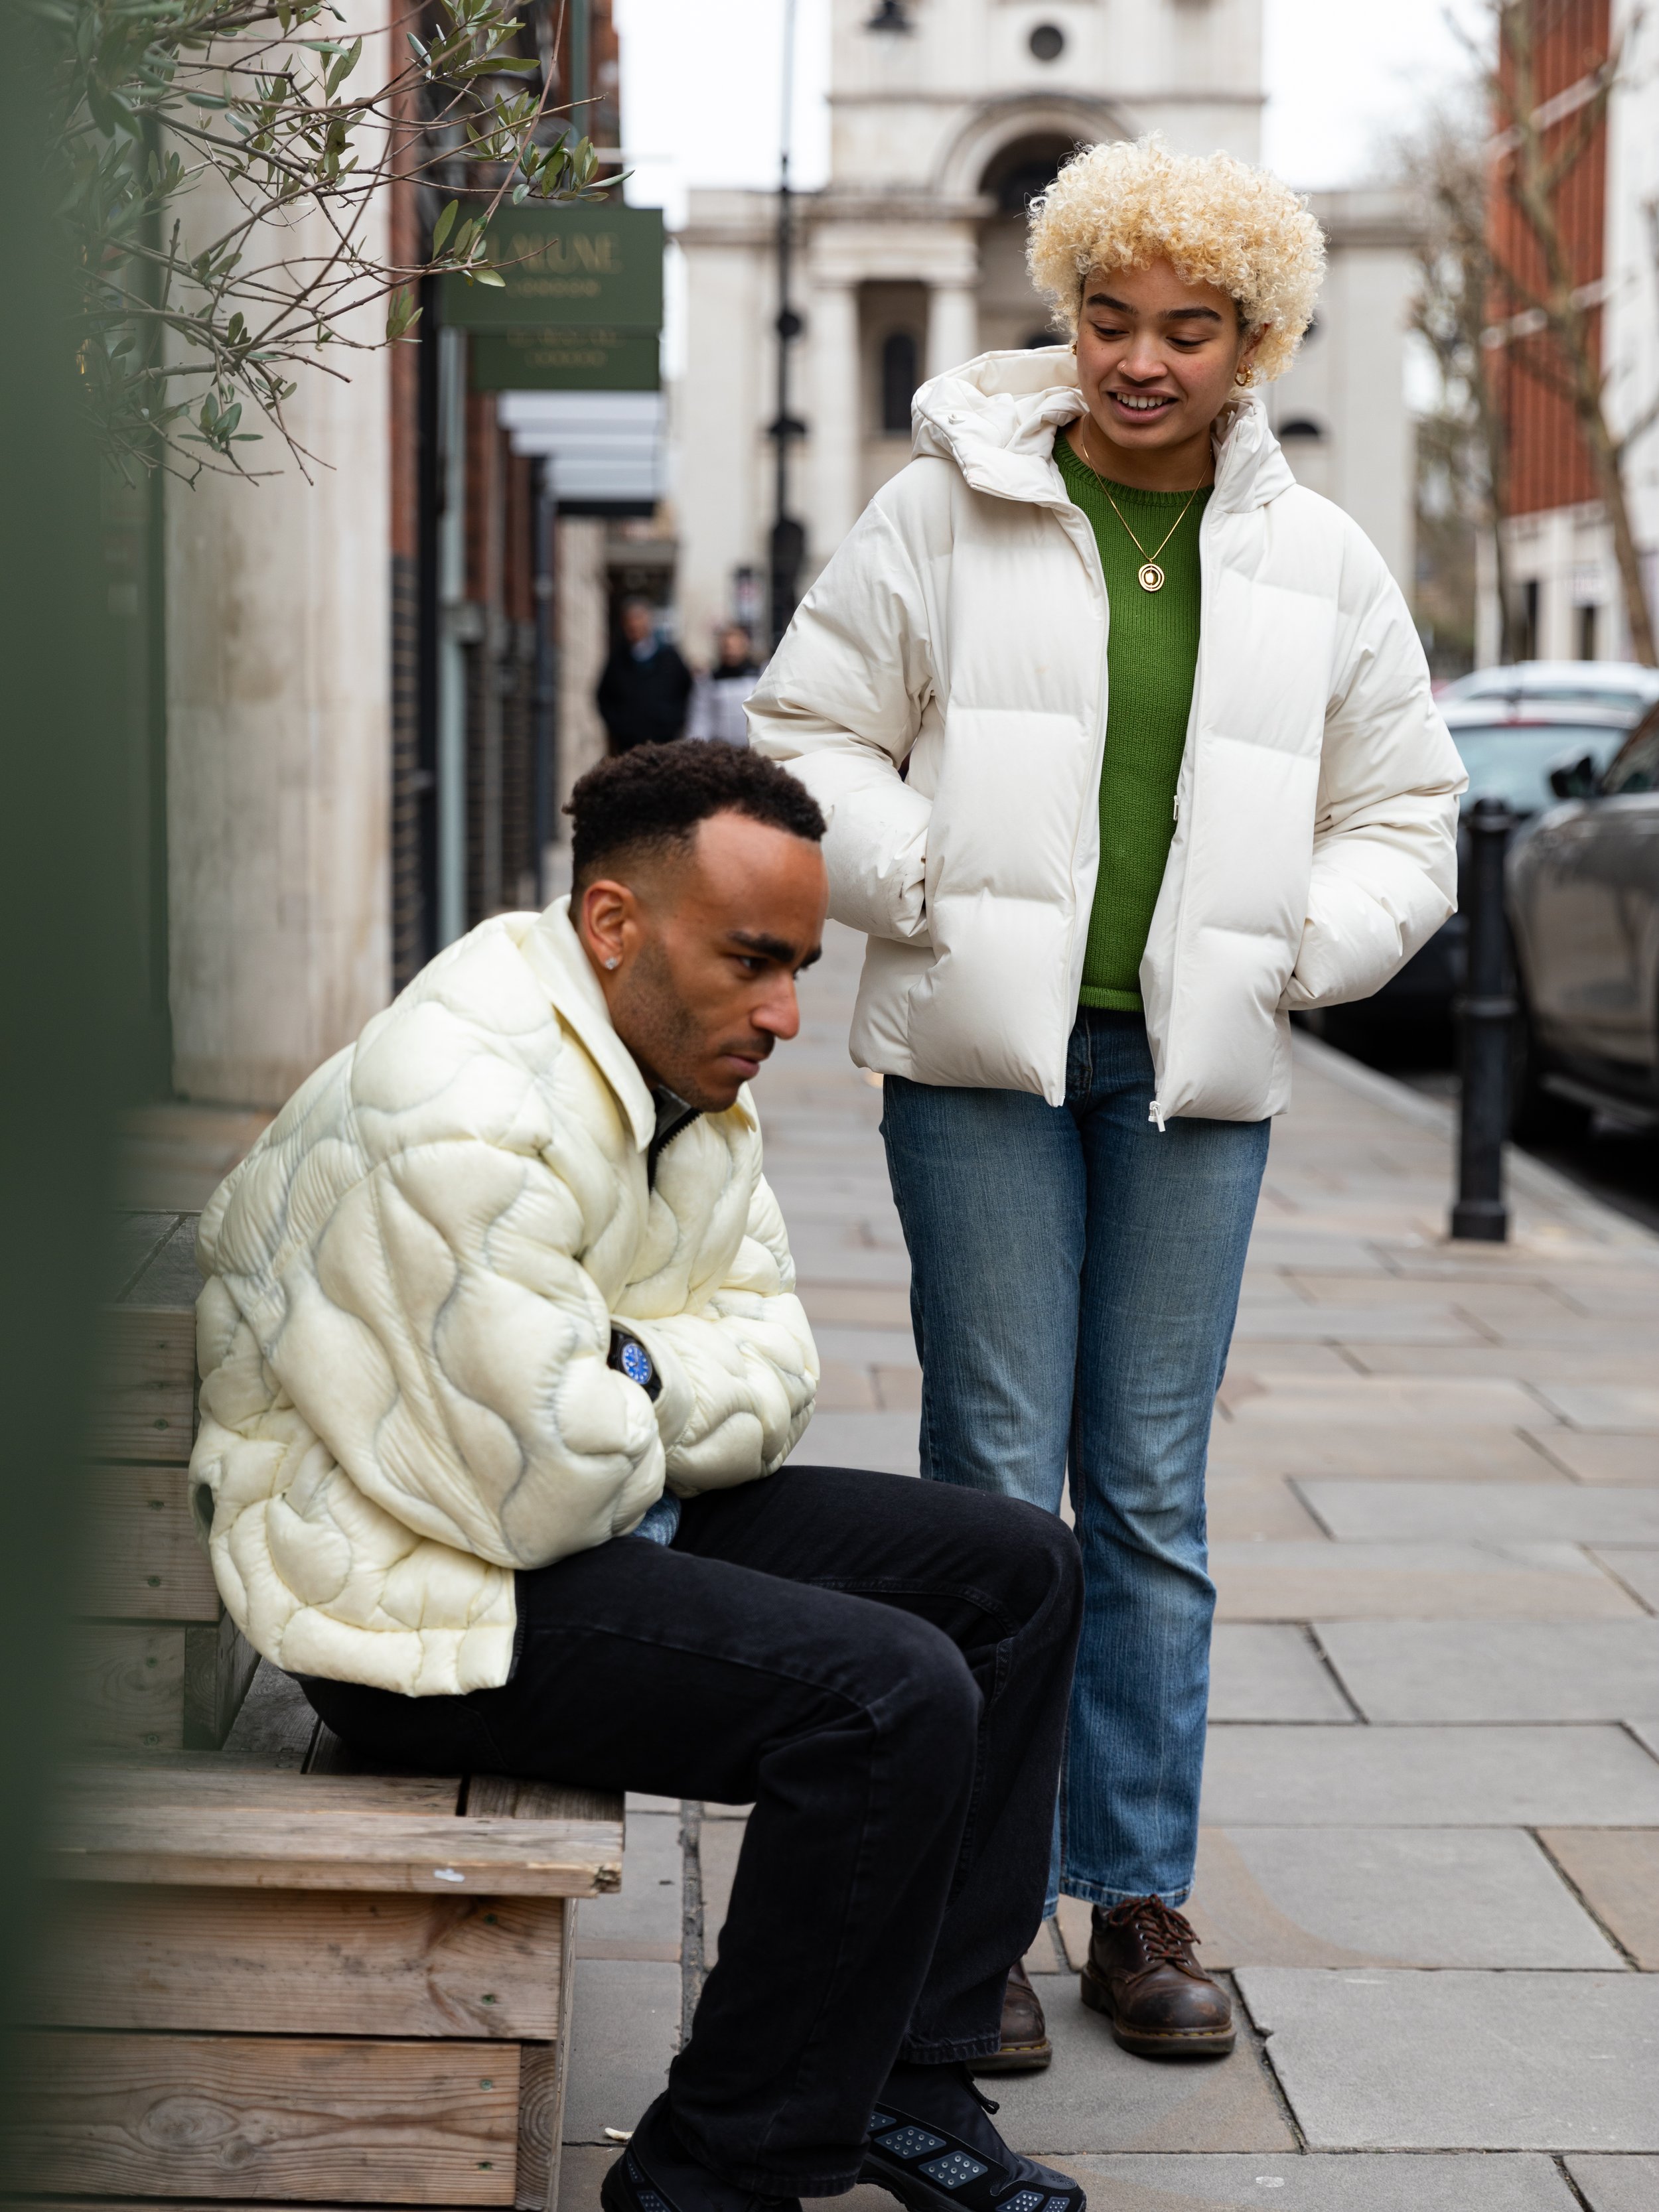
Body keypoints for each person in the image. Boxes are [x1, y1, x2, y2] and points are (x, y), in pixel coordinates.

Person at [749, 135, 1465, 2073]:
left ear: (1253, 341)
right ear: (1060, 314)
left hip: (1184, 1084)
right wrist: (922, 881)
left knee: (1144, 1492)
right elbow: (804, 730)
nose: (1139, 359)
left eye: (1188, 328)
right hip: (985, 1060)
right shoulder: (938, 511)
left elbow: (1404, 812)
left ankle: (1131, 1893)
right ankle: (970, 1921)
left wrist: (1288, 949)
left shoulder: (1312, 561)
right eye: (1106, 318)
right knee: (996, 1484)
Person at [188, 743, 1088, 2212]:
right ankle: (714, 2170)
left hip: (581, 1513)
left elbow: (773, 1363)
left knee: (1016, 1571)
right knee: (885, 1692)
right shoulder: (456, 1099)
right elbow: (533, 1487)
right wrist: (650, 1378)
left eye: (798, 965)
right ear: (615, 922)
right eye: (753, 961)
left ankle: (906, 2076)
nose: (787, 1014)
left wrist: (632, 1368)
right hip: (419, 1594)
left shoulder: (680, 1073)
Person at [597, 594, 693, 753]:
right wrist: (619, 727)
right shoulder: (617, 659)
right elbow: (603, 697)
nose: (635, 625)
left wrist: (672, 721)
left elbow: (686, 690)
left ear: (648, 621)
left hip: (664, 742)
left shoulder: (669, 657)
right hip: (628, 745)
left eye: (639, 619)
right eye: (630, 621)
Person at [687, 623, 761, 746]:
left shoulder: (760, 674)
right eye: (726, 647)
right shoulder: (708, 680)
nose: (730, 652)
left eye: (735, 646)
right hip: (722, 751)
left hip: (754, 748)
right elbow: (700, 719)